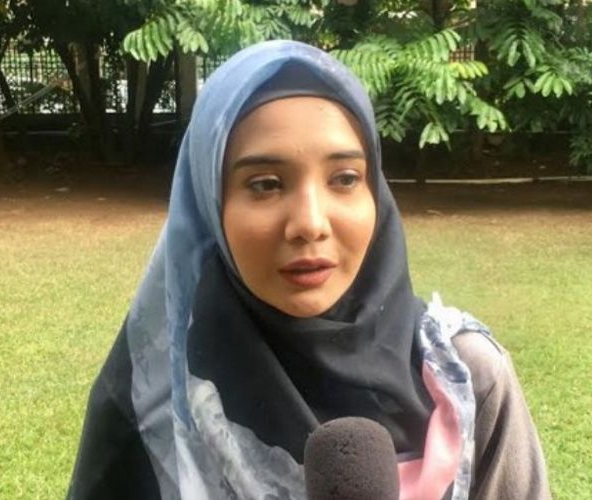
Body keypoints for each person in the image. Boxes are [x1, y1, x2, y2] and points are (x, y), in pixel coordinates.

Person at [67, 40, 550, 500]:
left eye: (345, 178)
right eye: (265, 184)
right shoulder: (155, 395)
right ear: (212, 206)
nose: (310, 224)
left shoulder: (465, 378)